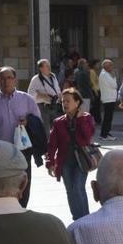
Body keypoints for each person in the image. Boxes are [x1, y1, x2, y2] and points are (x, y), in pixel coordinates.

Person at [0, 66, 40, 208]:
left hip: (22, 151)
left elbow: (38, 124)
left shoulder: (27, 99)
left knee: (23, 184)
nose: (6, 81)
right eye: (2, 78)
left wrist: (28, 121)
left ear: (15, 80)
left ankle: (21, 210)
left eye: (9, 78)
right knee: (0, 187)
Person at [46, 87, 94, 221]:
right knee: (70, 190)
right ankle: (77, 218)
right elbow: (52, 145)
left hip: (81, 160)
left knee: (78, 187)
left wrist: (81, 120)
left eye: (68, 101)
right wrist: (50, 163)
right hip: (65, 161)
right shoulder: (58, 122)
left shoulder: (86, 118)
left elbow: (88, 137)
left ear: (77, 102)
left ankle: (85, 219)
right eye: (62, 102)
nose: (65, 104)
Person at [27, 58, 62, 135]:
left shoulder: (53, 76)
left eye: (49, 65)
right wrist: (42, 95)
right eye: (46, 66)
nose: (49, 67)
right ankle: (46, 145)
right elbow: (30, 93)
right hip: (43, 106)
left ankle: (54, 143)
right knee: (46, 127)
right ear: (41, 68)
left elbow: (57, 88)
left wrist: (60, 97)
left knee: (56, 125)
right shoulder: (36, 79)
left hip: (54, 104)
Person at [98, 59, 118, 141]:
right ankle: (104, 135)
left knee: (108, 118)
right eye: (110, 65)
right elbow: (114, 85)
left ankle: (106, 133)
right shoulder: (105, 74)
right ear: (106, 66)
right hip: (108, 99)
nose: (112, 67)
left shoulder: (106, 74)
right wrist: (113, 77)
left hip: (110, 98)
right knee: (107, 118)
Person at [88, 59, 102, 125]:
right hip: (95, 91)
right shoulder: (92, 72)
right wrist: (96, 92)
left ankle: (97, 119)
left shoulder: (94, 72)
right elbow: (92, 82)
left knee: (96, 106)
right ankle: (97, 119)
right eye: (97, 64)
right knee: (95, 107)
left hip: (96, 90)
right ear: (94, 65)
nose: (98, 66)